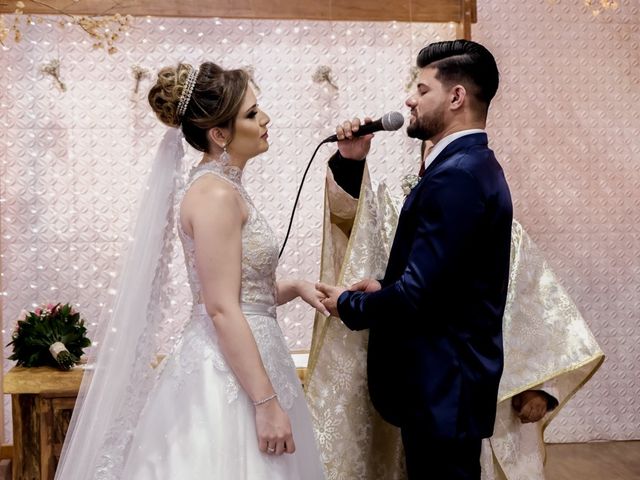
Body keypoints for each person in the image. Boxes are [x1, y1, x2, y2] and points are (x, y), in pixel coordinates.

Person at [55, 62, 326, 479]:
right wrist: (266, 403)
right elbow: (220, 308)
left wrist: (296, 286)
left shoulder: (225, 188)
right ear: (220, 134)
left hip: (252, 358)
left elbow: (241, 291)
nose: (265, 119)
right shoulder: (214, 195)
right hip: (228, 380)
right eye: (252, 114)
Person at [305, 137, 604, 479]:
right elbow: (358, 224)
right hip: (419, 388)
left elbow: (539, 300)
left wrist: (542, 387)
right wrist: (349, 165)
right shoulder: (406, 216)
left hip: (471, 388)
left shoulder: (494, 219)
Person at [316, 39, 514, 479]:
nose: (409, 99)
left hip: (444, 389)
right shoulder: (470, 166)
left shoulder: (458, 177)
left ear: (456, 96)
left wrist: (349, 305)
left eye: (422, 89)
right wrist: (385, 288)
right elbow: (447, 284)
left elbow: (420, 295)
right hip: (445, 389)